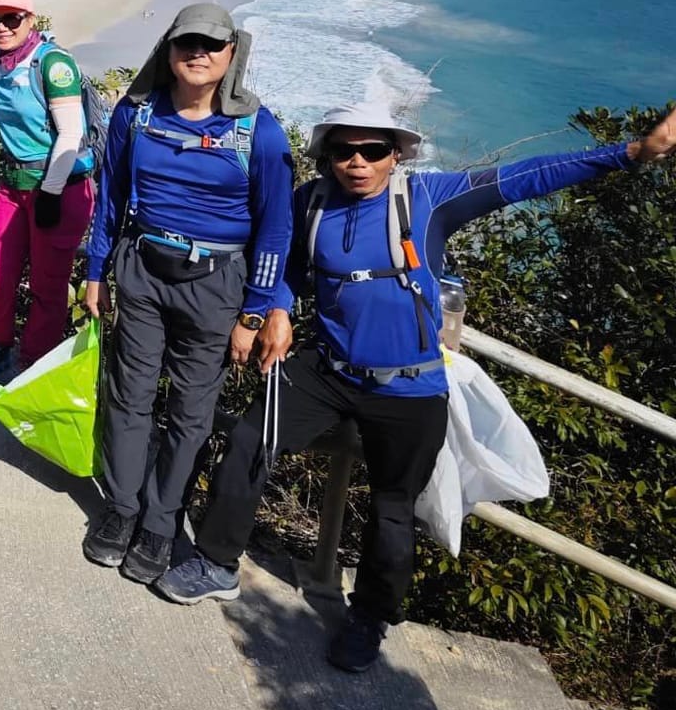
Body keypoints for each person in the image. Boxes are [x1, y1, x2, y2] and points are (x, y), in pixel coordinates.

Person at [156, 99, 676, 672]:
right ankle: (217, 563)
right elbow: (279, 264)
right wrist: (277, 308)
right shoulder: (311, 202)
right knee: (251, 440)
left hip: (409, 387)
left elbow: (531, 176)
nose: (357, 162)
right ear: (327, 156)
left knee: (393, 509)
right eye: (343, 151)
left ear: (396, 154)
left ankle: (370, 618)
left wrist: (632, 153)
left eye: (372, 150)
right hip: (327, 371)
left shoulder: (427, 199)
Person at [80, 4, 295, 586]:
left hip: (218, 283)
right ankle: (122, 508)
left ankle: (160, 519)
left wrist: (255, 310)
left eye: (211, 45)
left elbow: (276, 228)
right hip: (143, 269)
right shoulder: (137, 112)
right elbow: (112, 195)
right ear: (168, 51)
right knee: (130, 395)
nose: (197, 54)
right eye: (185, 44)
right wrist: (97, 270)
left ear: (232, 55)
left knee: (191, 413)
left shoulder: (260, 131)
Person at [0, 0, 97, 378]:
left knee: (47, 285)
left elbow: (71, 133)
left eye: (12, 18)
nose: (2, 27)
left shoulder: (53, 63)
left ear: (30, 20)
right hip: (13, 184)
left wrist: (52, 192)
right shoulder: (2, 63)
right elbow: (15, 99)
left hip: (60, 187)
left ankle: (33, 363)